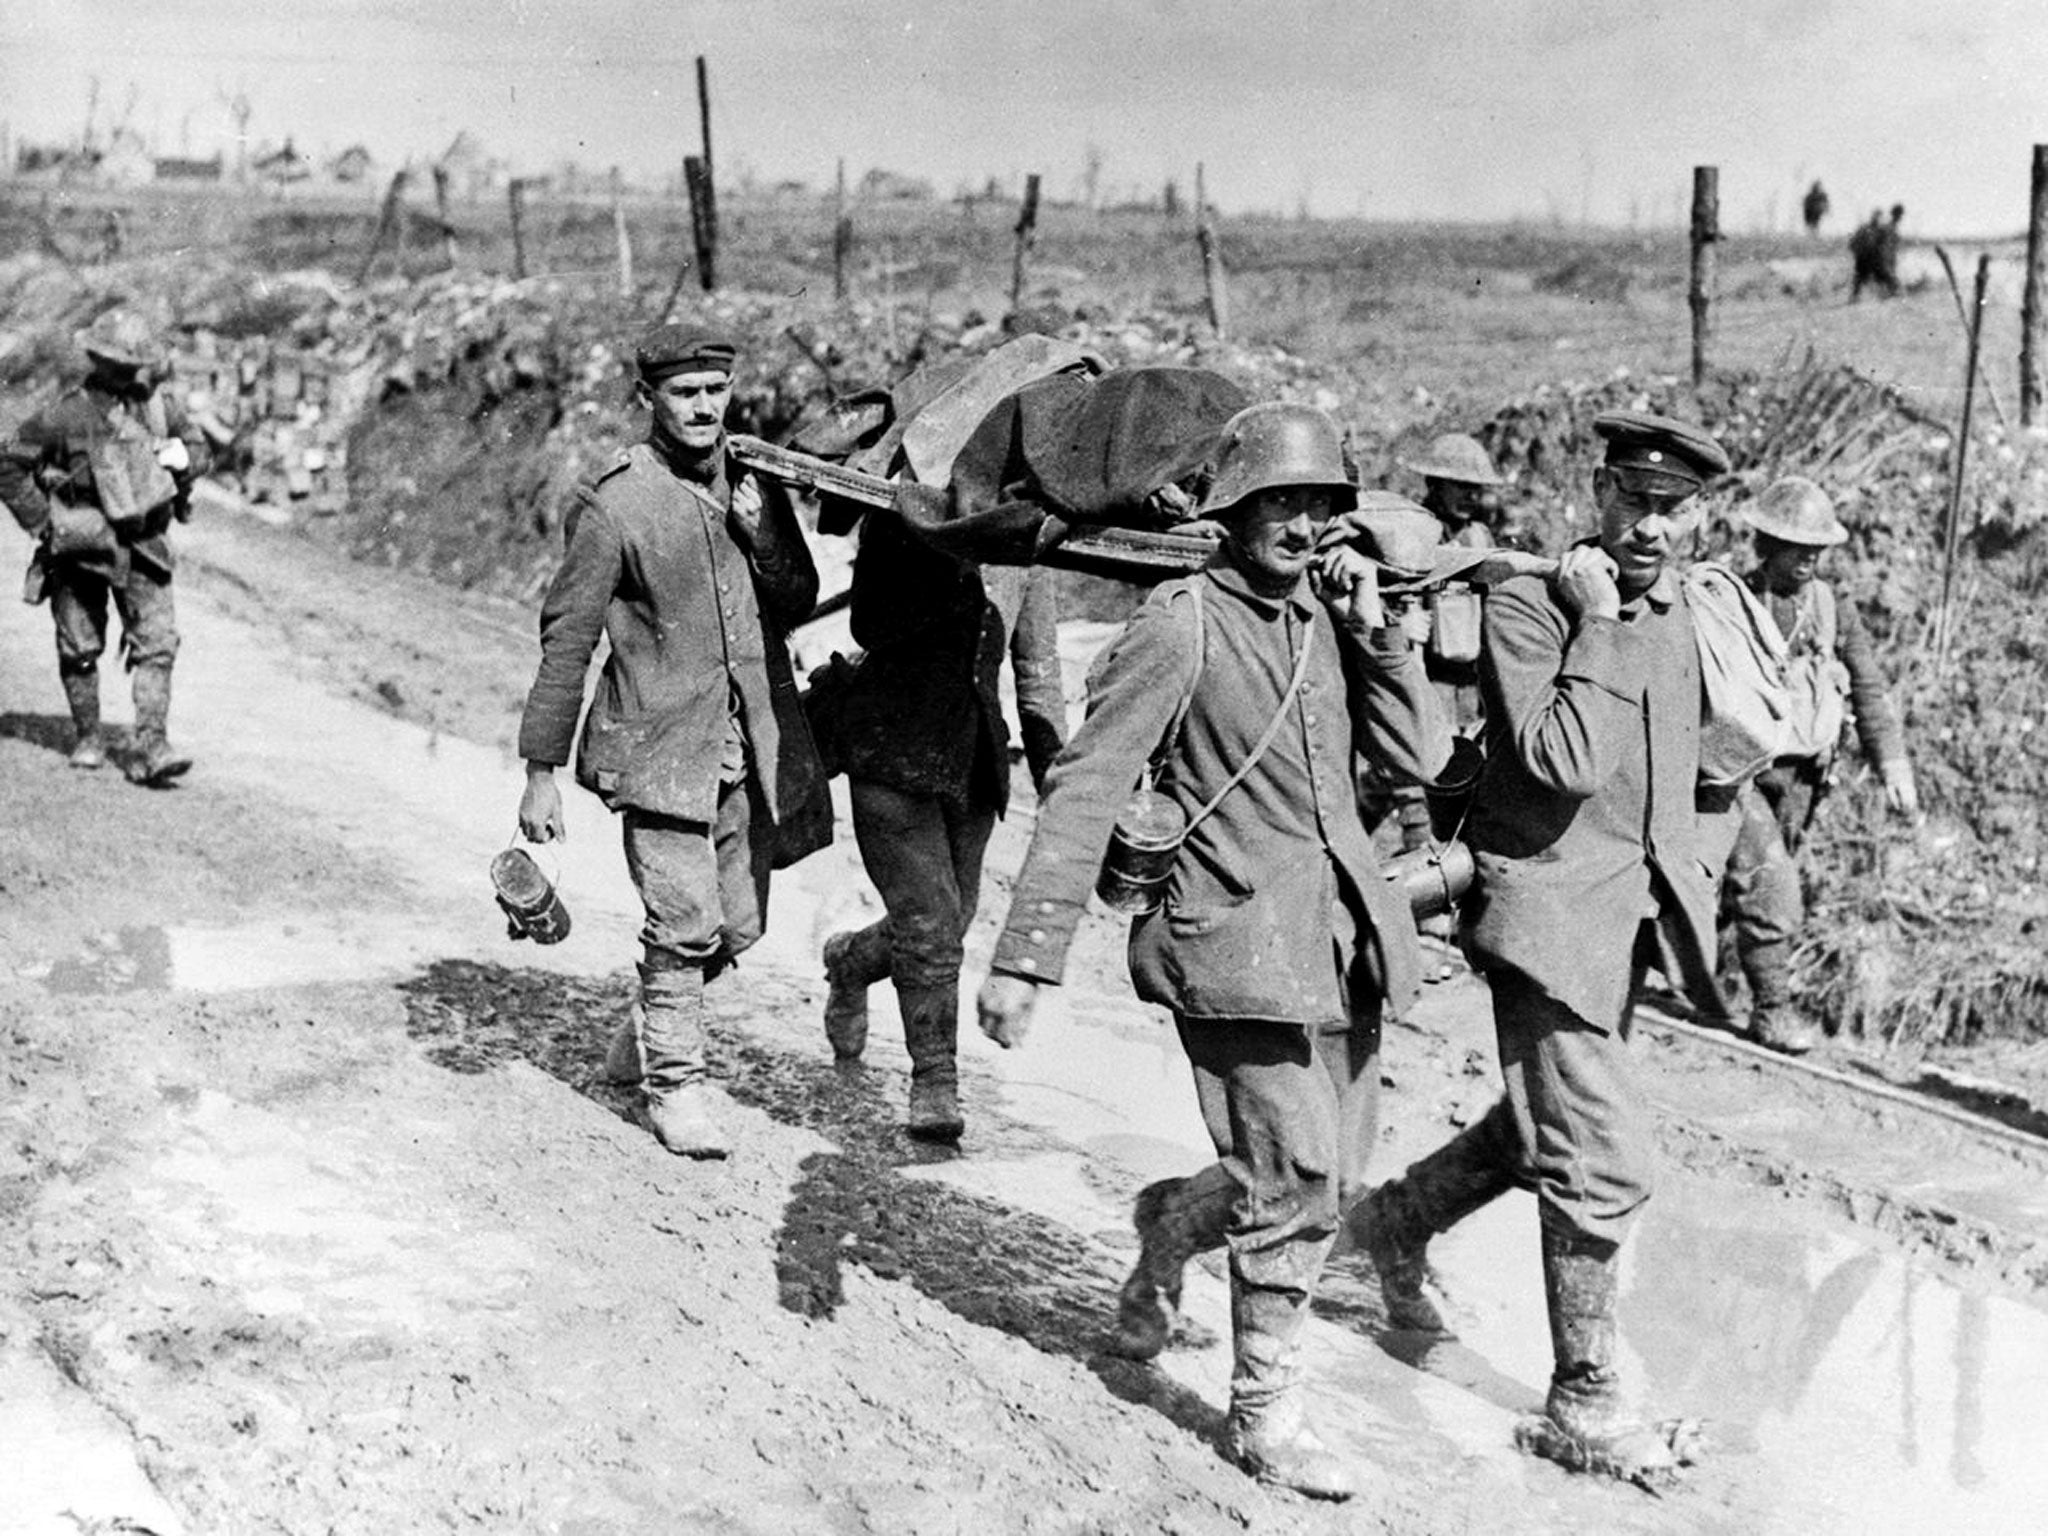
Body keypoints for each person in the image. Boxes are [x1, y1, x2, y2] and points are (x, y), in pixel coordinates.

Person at [975, 401, 1451, 1500]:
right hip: (1231, 936)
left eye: (1317, 505)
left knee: (1318, 1171)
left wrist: (1379, 635)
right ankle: (1264, 1413)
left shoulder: (1328, 620)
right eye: (1278, 502)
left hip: (1337, 943)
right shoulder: (1181, 622)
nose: (1298, 524)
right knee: (1295, 1175)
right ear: (1232, 510)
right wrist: (1026, 955)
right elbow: (1088, 781)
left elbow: (1415, 758)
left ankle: (1167, 1226)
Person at [1348, 409, 1730, 1487]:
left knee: (1539, 1127)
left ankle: (1386, 1226)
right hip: (1545, 918)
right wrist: (1596, 625)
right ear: (1597, 492)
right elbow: (1559, 762)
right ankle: (1582, 1401)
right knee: (1601, 1156)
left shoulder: (1671, 613)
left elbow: (1681, 772)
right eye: (1633, 502)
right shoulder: (1534, 606)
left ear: (1695, 517)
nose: (1649, 529)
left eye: (1672, 510)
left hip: (1624, 924)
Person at [515, 324, 827, 1159]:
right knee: (685, 920)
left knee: (739, 928)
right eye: (683, 393)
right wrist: (539, 773)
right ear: (648, 398)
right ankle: (677, 1087)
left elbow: (799, 596)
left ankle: (652, 1018)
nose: (702, 408)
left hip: (746, 745)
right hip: (656, 750)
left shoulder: (755, 478)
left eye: (714, 391)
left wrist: (765, 535)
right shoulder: (614, 502)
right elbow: (567, 639)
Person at [817, 516, 1066, 1142]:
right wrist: (954, 552)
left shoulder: (1028, 549)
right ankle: (934, 1078)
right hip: (891, 740)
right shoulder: (899, 518)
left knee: (949, 922)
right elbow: (870, 624)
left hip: (971, 755)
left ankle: (848, 962)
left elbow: (1037, 675)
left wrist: (1062, 783)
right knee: (928, 925)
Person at [1714, 476, 1917, 1055]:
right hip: (1740, 771)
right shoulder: (1734, 599)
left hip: (1803, 779)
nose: (1806, 560)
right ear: (1765, 544)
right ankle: (1771, 1011)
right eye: (1794, 547)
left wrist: (1893, 765)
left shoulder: (1831, 608)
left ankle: (1705, 978)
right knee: (1772, 885)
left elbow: (1869, 689)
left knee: (1750, 887)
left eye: (1815, 550)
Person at [0, 309, 210, 784]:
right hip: (82, 547)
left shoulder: (160, 408)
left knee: (158, 645)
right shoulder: (65, 414)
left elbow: (199, 451)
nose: (126, 372)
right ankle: (89, 736)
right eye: (117, 362)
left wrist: (185, 458)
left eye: (131, 363)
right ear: (98, 359)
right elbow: (8, 463)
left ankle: (153, 743)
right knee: (79, 646)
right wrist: (44, 523)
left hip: (145, 547)